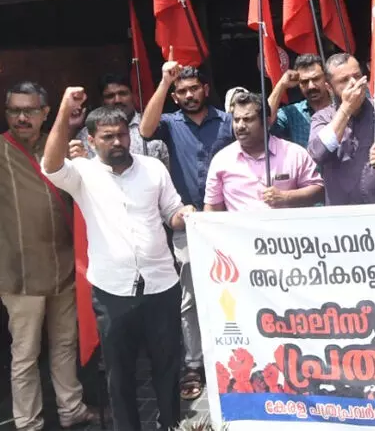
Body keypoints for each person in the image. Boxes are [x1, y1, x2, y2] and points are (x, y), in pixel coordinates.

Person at [43, 92, 195, 431]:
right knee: (120, 374)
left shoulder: (153, 168)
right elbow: (50, 166)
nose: (117, 142)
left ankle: (171, 425)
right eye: (107, 136)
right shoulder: (82, 173)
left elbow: (171, 212)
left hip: (161, 286)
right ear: (91, 140)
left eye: (122, 134)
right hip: (112, 291)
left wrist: (185, 215)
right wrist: (64, 109)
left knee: (167, 367)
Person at [0, 82, 98, 430]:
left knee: (65, 344)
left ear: (45, 113)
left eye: (29, 110)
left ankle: (71, 408)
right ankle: (28, 422)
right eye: (14, 110)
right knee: (25, 354)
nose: (21, 118)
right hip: (19, 274)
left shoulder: (59, 147)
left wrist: (83, 163)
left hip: (65, 266)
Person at [139, 57, 233, 401]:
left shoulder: (227, 120)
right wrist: (164, 82)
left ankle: (235, 358)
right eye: (183, 91)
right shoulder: (169, 122)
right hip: (188, 223)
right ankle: (194, 363)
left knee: (232, 291)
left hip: (229, 222)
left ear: (206, 89)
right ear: (176, 96)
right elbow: (144, 130)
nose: (190, 95)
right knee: (190, 299)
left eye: (195, 88)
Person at [307, 53, 375, 205]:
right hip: (340, 215)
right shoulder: (322, 118)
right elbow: (318, 153)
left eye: (357, 76)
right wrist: (346, 109)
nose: (354, 83)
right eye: (344, 80)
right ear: (329, 87)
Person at [204, 91, 323, 211]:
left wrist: (286, 197)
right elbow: (212, 209)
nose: (240, 126)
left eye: (248, 119)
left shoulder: (294, 154)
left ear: (266, 122)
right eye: (236, 120)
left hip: (284, 223)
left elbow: (318, 190)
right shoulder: (222, 160)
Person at [76, 73, 169, 166]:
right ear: (102, 101)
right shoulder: (88, 134)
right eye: (110, 96)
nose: (117, 100)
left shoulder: (153, 125)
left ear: (134, 96)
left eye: (123, 93)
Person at [268, 54, 333, 148]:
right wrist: (281, 85)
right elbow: (265, 121)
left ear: (326, 78)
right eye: (304, 82)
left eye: (316, 79)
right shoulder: (292, 113)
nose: (311, 86)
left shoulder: (342, 105)